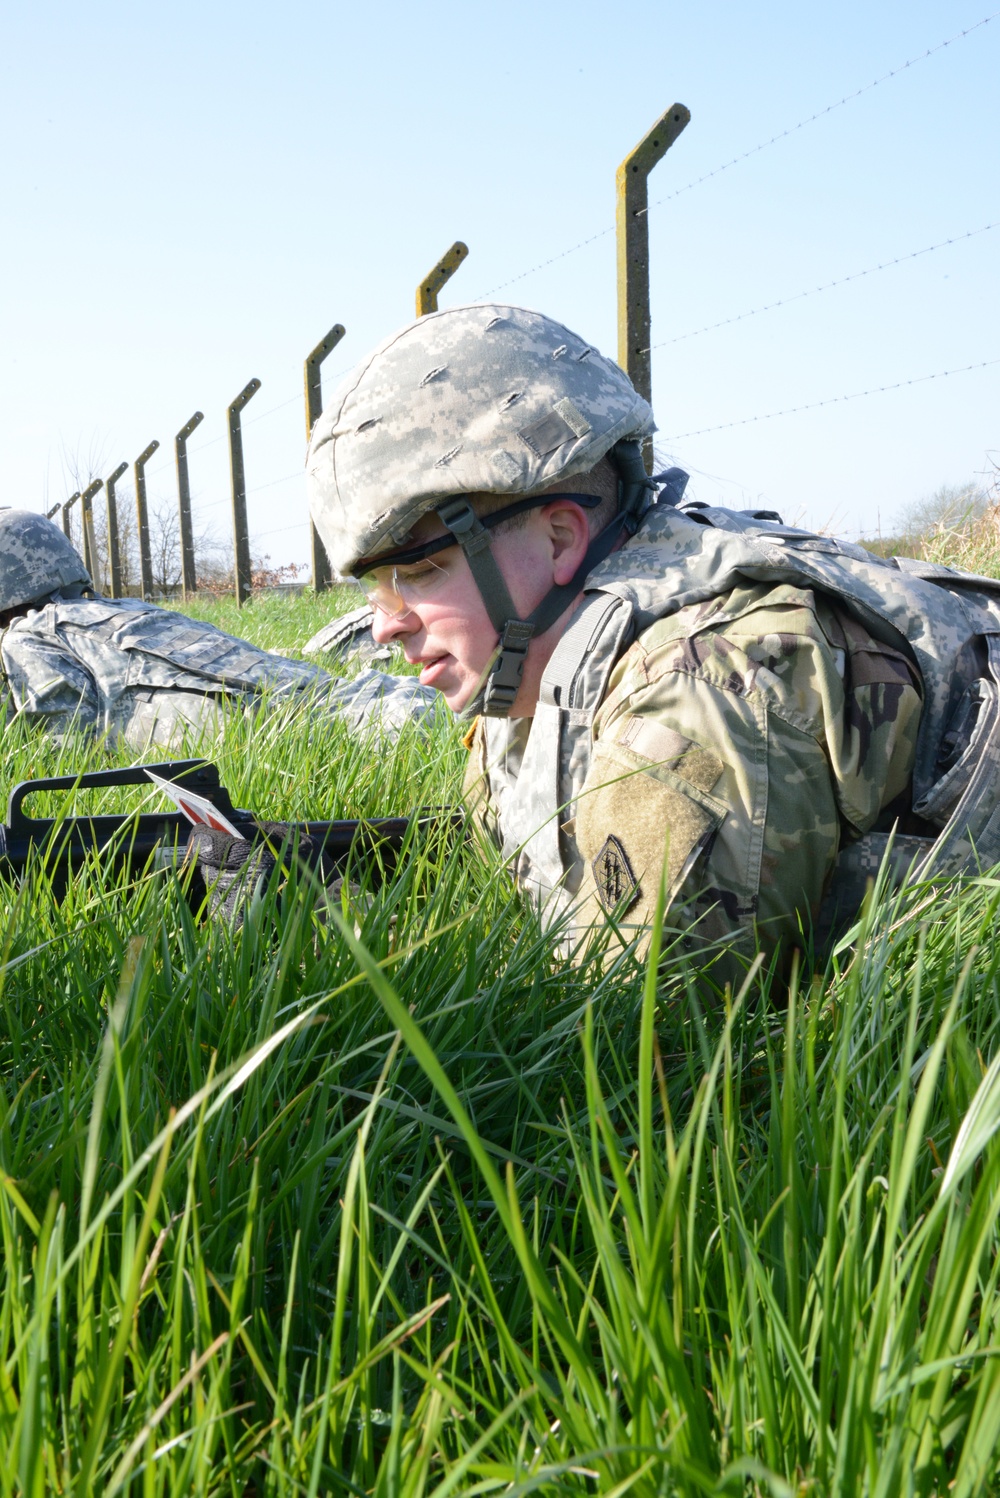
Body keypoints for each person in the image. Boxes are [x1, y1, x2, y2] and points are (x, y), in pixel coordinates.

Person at [218, 302, 1000, 973]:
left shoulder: (703, 691)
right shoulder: (528, 667)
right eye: (374, 588)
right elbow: (528, 873)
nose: (385, 623)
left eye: (418, 572)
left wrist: (325, 954)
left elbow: (632, 1054)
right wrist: (300, 864)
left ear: (560, 539)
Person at [0, 509, 437, 751]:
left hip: (253, 729)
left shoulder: (26, 637)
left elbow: (63, 742)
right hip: (301, 691)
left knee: (346, 727)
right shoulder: (122, 607)